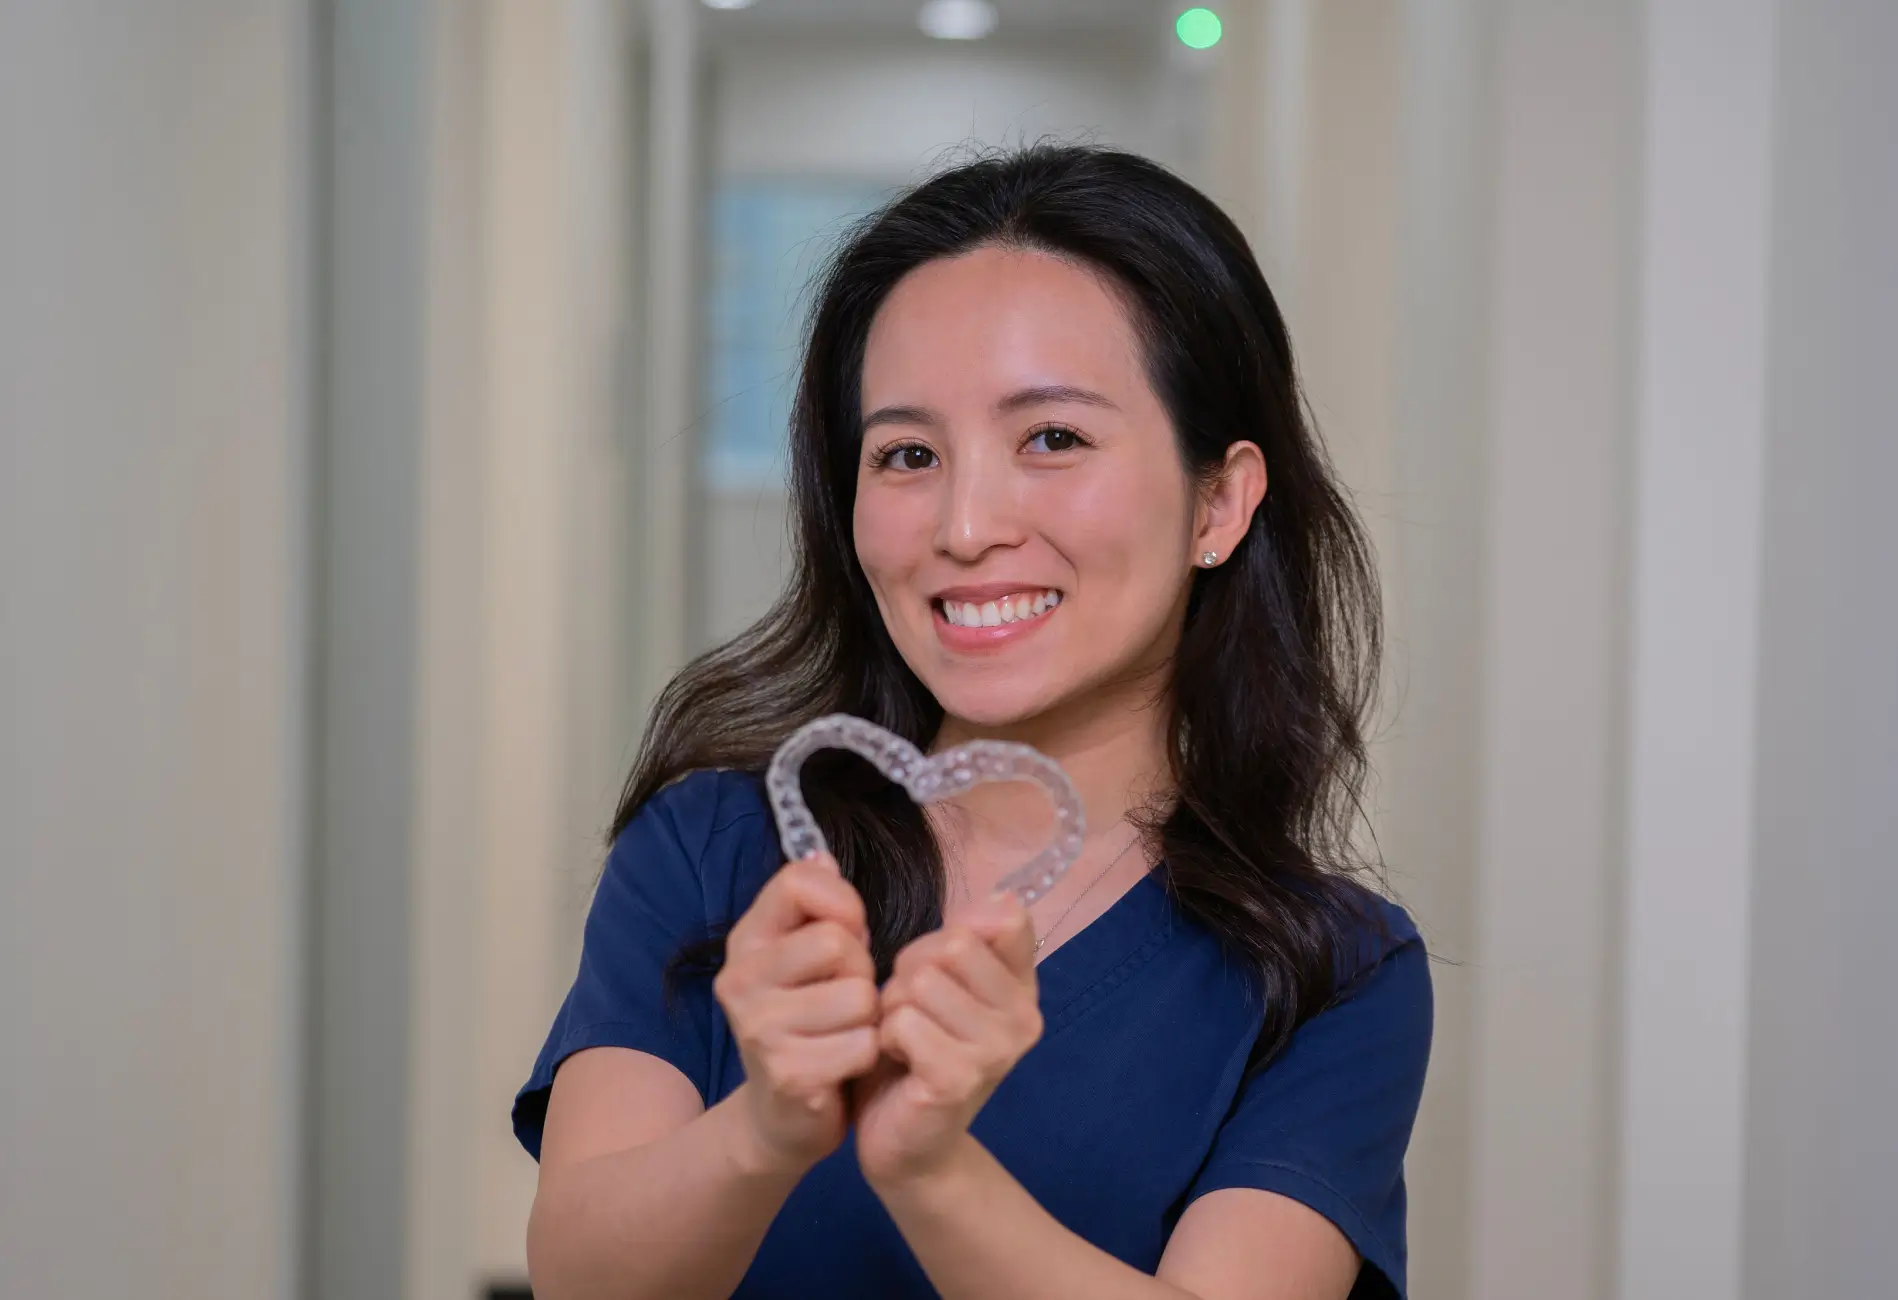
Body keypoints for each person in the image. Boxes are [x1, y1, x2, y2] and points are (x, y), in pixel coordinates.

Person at [512, 144, 1432, 1300]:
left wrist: (930, 1169)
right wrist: (763, 1129)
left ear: (1219, 501)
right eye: (905, 454)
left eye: (1051, 438)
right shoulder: (712, 852)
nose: (962, 523)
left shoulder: (1330, 970)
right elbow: (578, 1278)